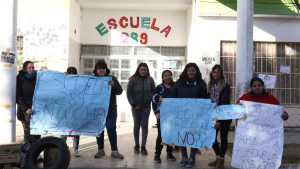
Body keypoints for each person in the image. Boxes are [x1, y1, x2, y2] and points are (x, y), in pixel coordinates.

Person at [171, 63, 209, 168]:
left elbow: (205, 97)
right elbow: (172, 95)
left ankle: (192, 157)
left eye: (193, 70)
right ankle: (184, 157)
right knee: (182, 135)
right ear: (186, 71)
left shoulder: (201, 83)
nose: (191, 72)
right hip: (182, 114)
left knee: (194, 136)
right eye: (189, 70)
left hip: (196, 115)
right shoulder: (179, 83)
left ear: (196, 71)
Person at [93, 60, 124, 159]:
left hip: (111, 109)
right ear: (96, 70)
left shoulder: (111, 78)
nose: (101, 70)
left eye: (103, 68)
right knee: (99, 130)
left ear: (106, 69)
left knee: (111, 129)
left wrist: (113, 85)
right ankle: (100, 150)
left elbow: (120, 91)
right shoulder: (93, 79)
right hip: (98, 109)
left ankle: (114, 151)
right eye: (99, 68)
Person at [127, 63, 155, 155]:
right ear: (138, 70)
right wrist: (134, 104)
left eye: (145, 69)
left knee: (144, 125)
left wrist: (150, 98)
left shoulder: (150, 80)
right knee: (136, 125)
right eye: (141, 69)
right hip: (136, 107)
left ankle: (143, 147)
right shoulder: (133, 79)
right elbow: (129, 93)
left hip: (146, 107)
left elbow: (154, 92)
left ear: (147, 70)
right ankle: (136, 145)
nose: (143, 71)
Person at [207, 65, 231, 169]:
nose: (216, 74)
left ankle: (221, 160)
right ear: (212, 74)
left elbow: (224, 102)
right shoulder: (210, 85)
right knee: (211, 138)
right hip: (212, 115)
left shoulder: (225, 85)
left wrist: (218, 119)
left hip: (223, 115)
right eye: (214, 72)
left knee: (223, 137)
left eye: (218, 72)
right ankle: (218, 157)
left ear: (221, 74)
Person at [152, 70, 176, 163]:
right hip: (162, 115)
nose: (168, 77)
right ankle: (157, 155)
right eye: (165, 75)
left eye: (169, 75)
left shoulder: (175, 87)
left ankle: (169, 153)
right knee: (161, 135)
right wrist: (157, 113)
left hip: (173, 116)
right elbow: (154, 99)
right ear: (162, 78)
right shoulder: (159, 87)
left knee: (171, 134)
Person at [16, 61, 40, 144]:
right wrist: (26, 109)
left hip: (36, 109)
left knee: (37, 133)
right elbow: (18, 96)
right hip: (25, 110)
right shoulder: (20, 78)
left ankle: (36, 152)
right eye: (29, 67)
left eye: (33, 67)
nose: (32, 69)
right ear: (25, 69)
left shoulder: (37, 77)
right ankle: (27, 154)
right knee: (28, 134)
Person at [63, 66, 81, 158]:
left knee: (76, 130)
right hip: (65, 110)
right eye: (69, 74)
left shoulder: (79, 83)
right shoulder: (63, 82)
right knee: (64, 129)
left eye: (73, 75)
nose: (71, 76)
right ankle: (62, 147)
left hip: (76, 110)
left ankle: (76, 149)